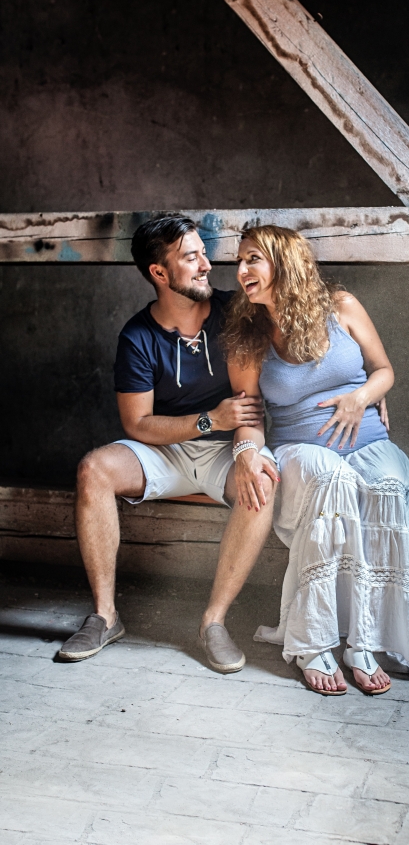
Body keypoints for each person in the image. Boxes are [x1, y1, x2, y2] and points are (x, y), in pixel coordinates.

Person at [58, 214, 279, 671]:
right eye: (191, 257)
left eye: (204, 253)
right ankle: (105, 616)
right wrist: (207, 420)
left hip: (225, 450)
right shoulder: (138, 336)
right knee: (93, 469)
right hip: (166, 450)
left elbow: (248, 407)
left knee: (262, 480)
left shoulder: (234, 312)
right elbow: (137, 424)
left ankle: (213, 622)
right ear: (159, 272)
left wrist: (246, 453)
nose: (206, 265)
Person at [221, 225, 409, 695]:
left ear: (285, 262)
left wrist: (360, 398)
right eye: (239, 261)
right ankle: (312, 643)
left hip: (369, 442)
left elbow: (383, 370)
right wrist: (247, 453)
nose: (241, 270)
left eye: (252, 259)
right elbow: (248, 415)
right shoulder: (247, 337)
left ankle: (364, 642)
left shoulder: (343, 307)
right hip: (302, 449)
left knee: (387, 487)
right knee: (332, 479)